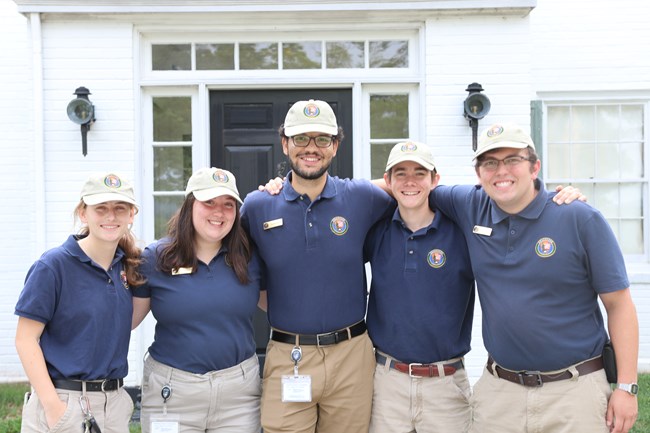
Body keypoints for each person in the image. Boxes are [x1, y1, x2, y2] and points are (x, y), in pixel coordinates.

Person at [428, 123, 639, 433]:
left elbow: (619, 305)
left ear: (534, 166)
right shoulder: (470, 205)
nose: (501, 171)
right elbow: (411, 185)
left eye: (512, 159)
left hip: (574, 392)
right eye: (490, 162)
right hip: (500, 393)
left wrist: (626, 387)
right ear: (479, 172)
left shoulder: (579, 218)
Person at [240, 99, 395, 433]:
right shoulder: (258, 206)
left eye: (322, 139)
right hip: (288, 354)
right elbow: (222, 245)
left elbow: (410, 188)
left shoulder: (362, 197)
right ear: (285, 144)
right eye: (300, 139)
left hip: (352, 354)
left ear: (335, 146)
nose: (311, 148)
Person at [132, 167, 263, 433]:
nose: (219, 212)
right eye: (209, 202)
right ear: (190, 205)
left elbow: (286, 307)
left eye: (228, 205)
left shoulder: (249, 258)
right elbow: (126, 321)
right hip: (172, 392)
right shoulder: (155, 258)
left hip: (238, 396)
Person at [15, 172, 141, 433]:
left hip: (114, 404)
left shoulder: (129, 268)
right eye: (101, 208)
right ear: (83, 213)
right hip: (64, 401)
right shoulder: (52, 266)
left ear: (131, 215)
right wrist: (53, 407)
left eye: (120, 208)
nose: (110, 216)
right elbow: (25, 339)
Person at [364, 141, 475, 432]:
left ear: (435, 180)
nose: (410, 181)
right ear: (387, 181)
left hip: (446, 384)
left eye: (419, 173)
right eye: (400, 173)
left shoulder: (461, 232)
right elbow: (343, 197)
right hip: (388, 381)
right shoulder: (376, 229)